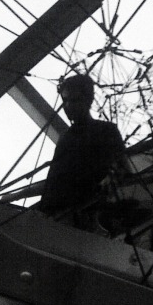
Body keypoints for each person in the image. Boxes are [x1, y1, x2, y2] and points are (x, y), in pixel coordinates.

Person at [38, 73, 125, 225]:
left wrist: (109, 179)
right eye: (65, 100)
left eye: (74, 100)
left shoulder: (105, 131)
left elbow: (124, 169)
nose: (68, 106)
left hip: (87, 216)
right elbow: (55, 181)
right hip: (58, 216)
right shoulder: (66, 138)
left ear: (88, 100)